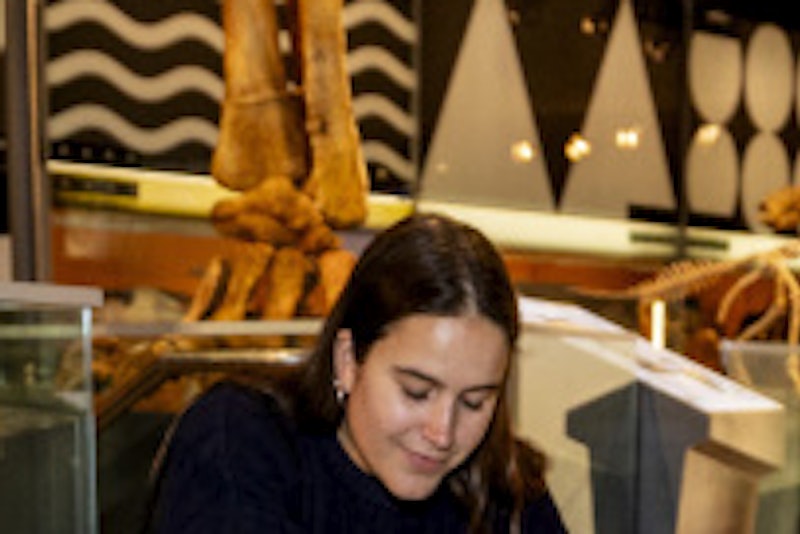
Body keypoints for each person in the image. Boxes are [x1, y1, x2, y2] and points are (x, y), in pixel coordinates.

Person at [147, 212, 567, 533]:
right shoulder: (240, 437)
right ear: (348, 359)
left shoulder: (508, 489)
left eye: (475, 402)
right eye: (416, 392)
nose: (442, 433)